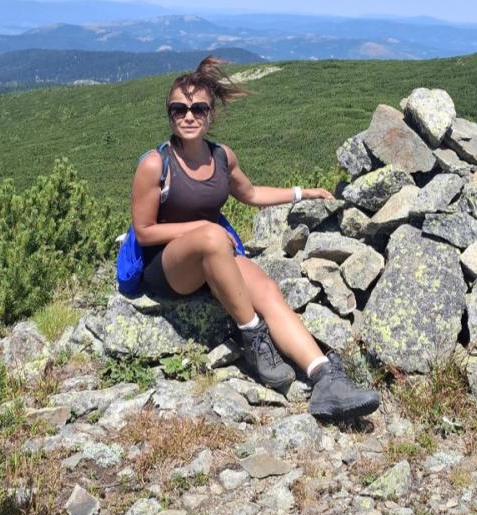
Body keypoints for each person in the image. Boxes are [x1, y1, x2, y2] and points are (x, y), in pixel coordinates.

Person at [130, 57, 381, 422]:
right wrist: (203, 232)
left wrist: (303, 192)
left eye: (198, 109)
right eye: (179, 109)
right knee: (213, 237)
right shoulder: (156, 164)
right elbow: (144, 230)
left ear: (211, 114)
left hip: (213, 254)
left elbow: (250, 193)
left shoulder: (221, 157)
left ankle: (325, 378)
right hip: (168, 267)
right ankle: (253, 337)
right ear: (169, 114)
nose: (188, 116)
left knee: (266, 291)